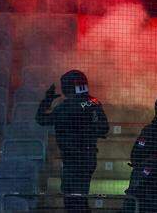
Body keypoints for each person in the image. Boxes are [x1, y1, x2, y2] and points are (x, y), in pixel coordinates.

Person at [36, 70, 109, 213]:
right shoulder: (93, 101)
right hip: (88, 157)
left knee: (72, 199)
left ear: (66, 88)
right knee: (80, 197)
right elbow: (104, 128)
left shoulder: (64, 108)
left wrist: (47, 101)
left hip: (73, 160)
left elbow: (41, 119)